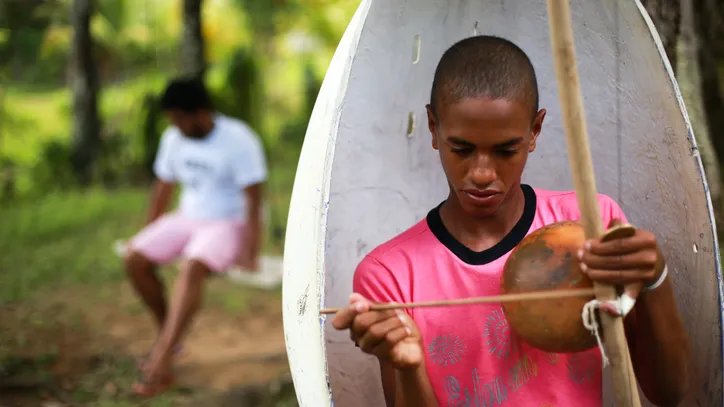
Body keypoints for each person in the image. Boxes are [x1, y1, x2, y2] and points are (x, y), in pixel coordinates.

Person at [331, 35, 690, 407]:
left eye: (506, 150)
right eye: (462, 149)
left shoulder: (589, 227)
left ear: (534, 131)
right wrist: (408, 366)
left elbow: (670, 393)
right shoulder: (390, 274)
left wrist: (654, 281)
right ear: (433, 127)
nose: (483, 173)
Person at [123, 77, 268, 397]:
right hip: (188, 216)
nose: (174, 125)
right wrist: (150, 231)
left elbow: (254, 199)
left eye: (179, 118)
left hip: (228, 221)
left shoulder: (238, 139)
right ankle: (170, 339)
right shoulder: (173, 138)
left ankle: (160, 362)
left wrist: (251, 250)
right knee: (134, 258)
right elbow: (164, 186)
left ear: (200, 113)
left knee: (192, 265)